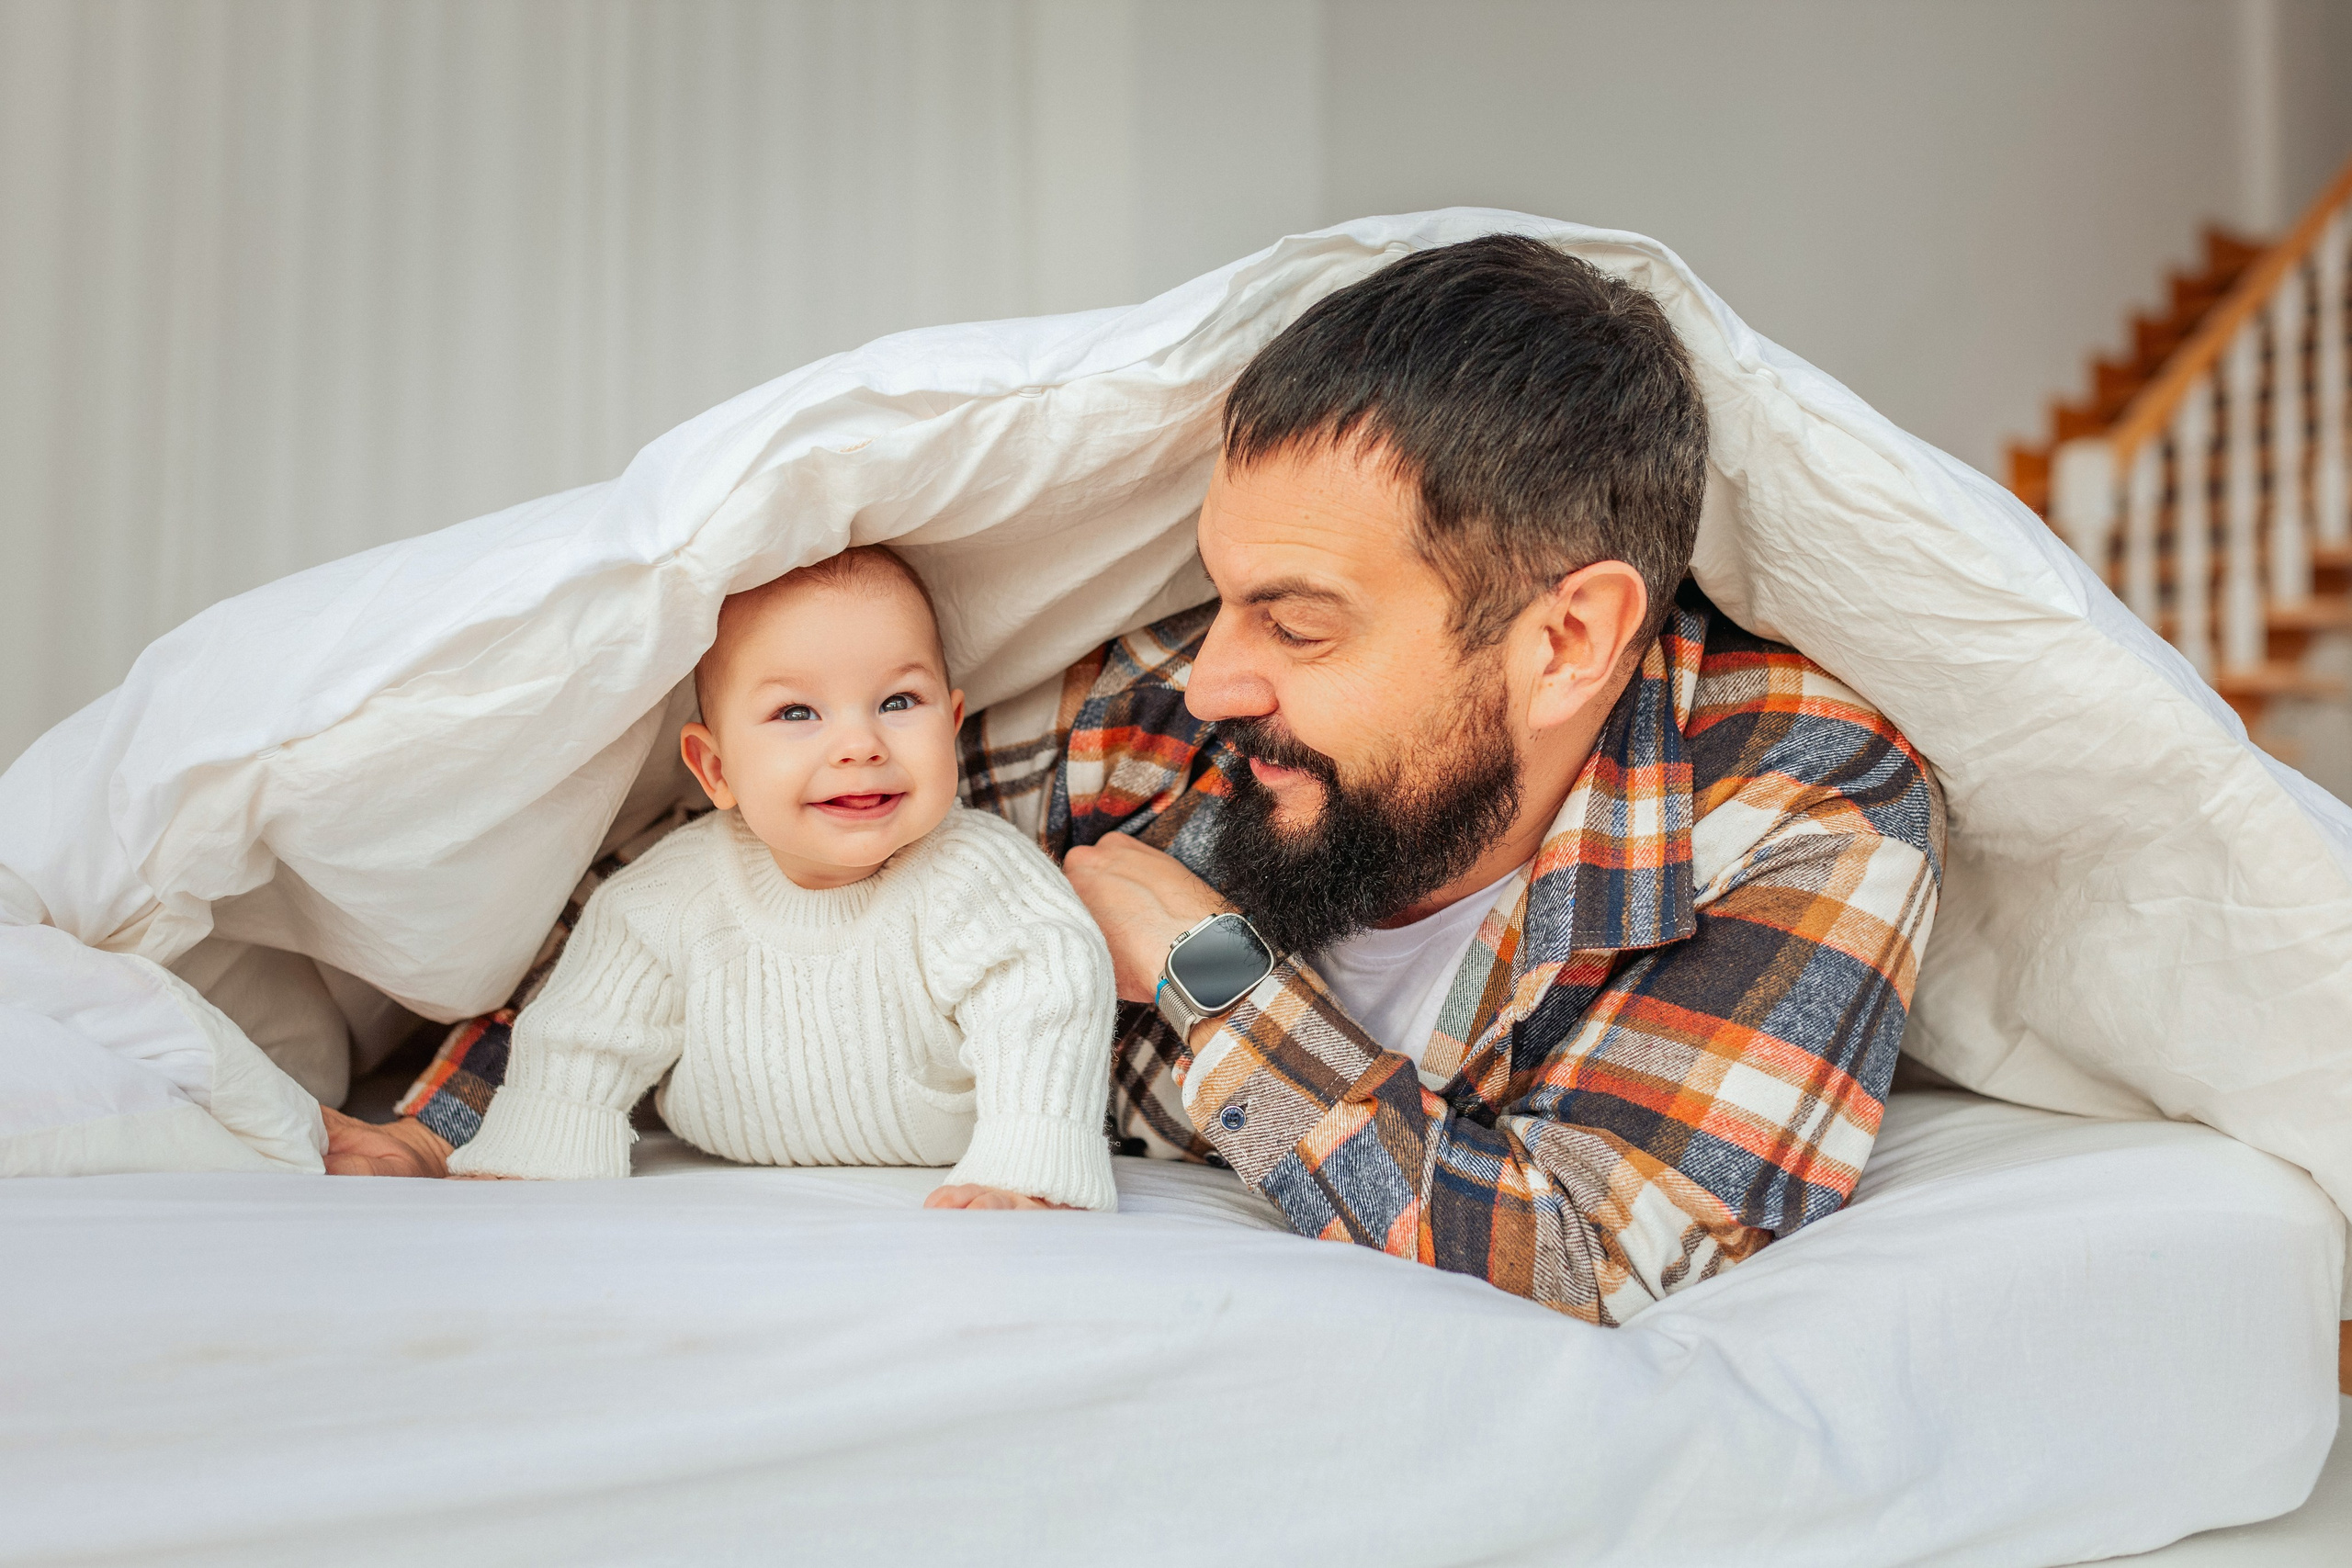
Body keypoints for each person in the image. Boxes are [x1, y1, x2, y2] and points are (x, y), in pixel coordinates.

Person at [332, 235, 1942, 1325]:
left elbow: (1586, 1249)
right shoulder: (1169, 710)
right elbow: (732, 853)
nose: (1215, 676)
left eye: (1295, 621)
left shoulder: (1800, 800)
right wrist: (447, 1121)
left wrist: (1203, 961)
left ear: (1566, 637)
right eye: (1222, 595)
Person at [427, 547, 1119, 1211]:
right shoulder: (675, 891)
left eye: (899, 702)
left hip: (953, 1152)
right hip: (720, 1149)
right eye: (796, 712)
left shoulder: (975, 876)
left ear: (953, 723)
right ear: (716, 769)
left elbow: (1048, 1000)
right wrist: (541, 1146)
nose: (860, 745)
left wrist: (1028, 1162)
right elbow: (588, 1026)